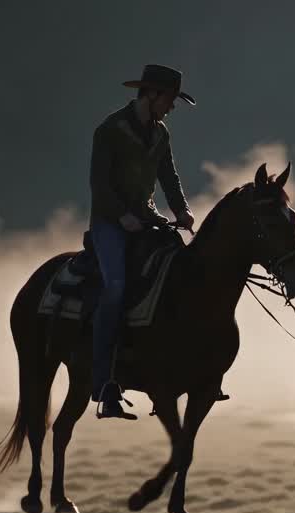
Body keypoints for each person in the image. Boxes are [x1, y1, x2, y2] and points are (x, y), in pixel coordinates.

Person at [89, 64, 197, 419]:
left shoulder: (160, 134)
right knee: (116, 287)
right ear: (151, 95)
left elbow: (168, 175)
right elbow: (100, 186)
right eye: (169, 99)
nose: (171, 107)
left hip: (146, 219)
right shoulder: (110, 130)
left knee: (181, 276)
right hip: (109, 223)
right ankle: (104, 382)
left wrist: (181, 211)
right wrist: (122, 216)